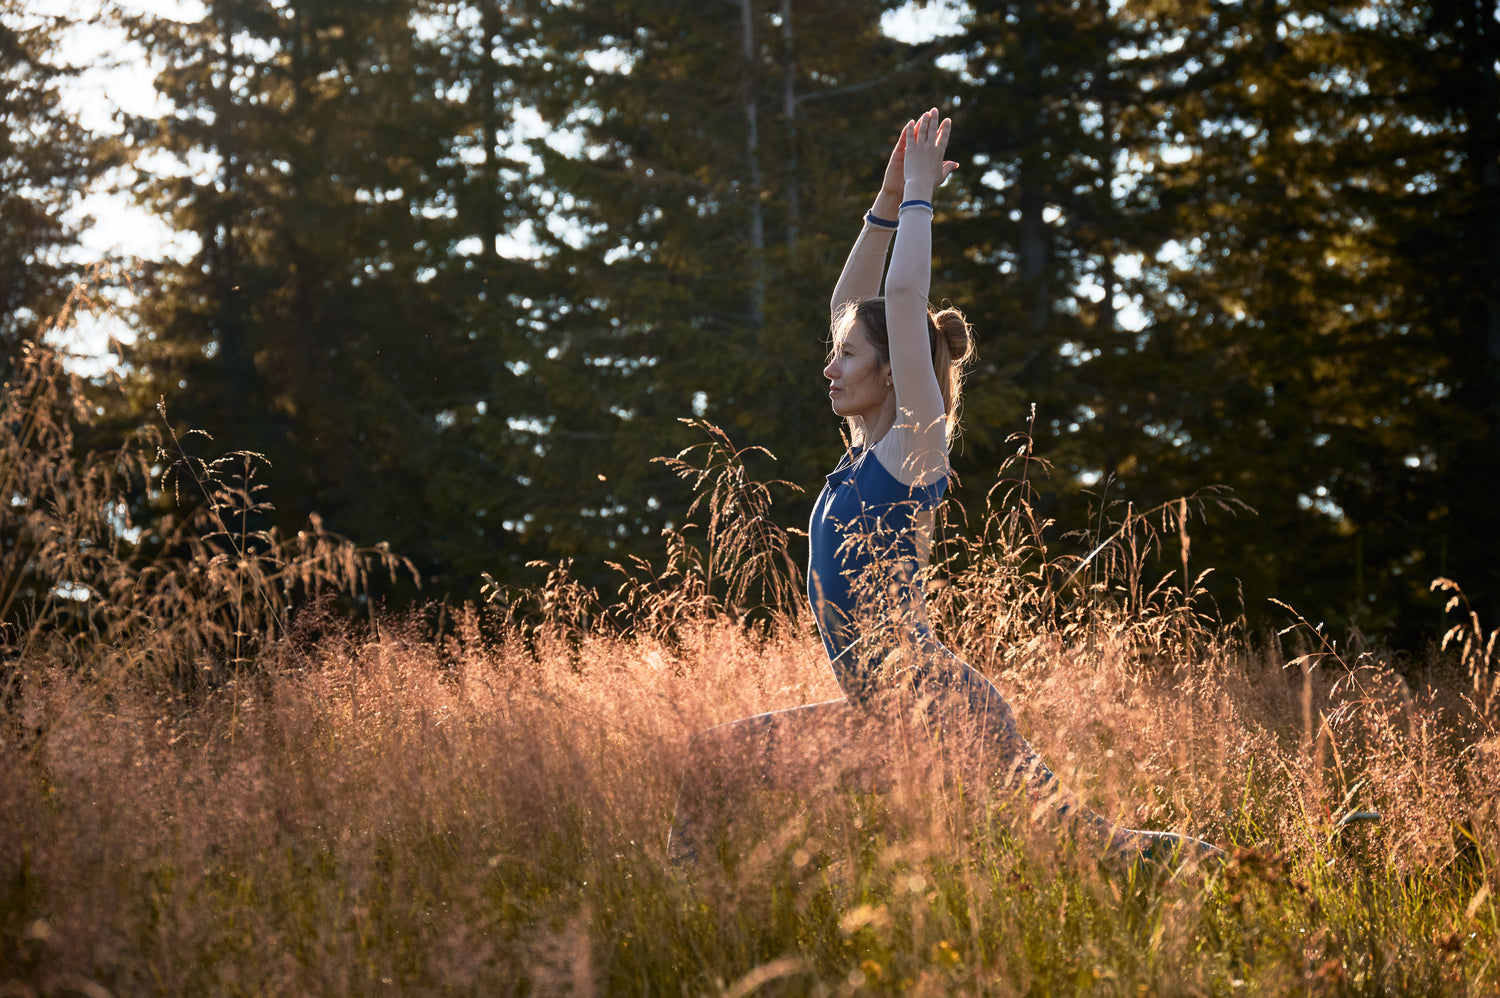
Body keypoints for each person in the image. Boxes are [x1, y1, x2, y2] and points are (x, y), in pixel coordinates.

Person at [667, 109, 1220, 869]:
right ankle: (694, 917)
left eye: (848, 358)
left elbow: (899, 299)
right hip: (883, 718)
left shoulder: (913, 447)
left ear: (892, 372)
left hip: (942, 712)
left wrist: (923, 194)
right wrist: (887, 201)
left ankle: (1226, 872)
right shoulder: (864, 450)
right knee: (711, 761)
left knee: (1084, 849)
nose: (830, 367)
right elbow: (850, 308)